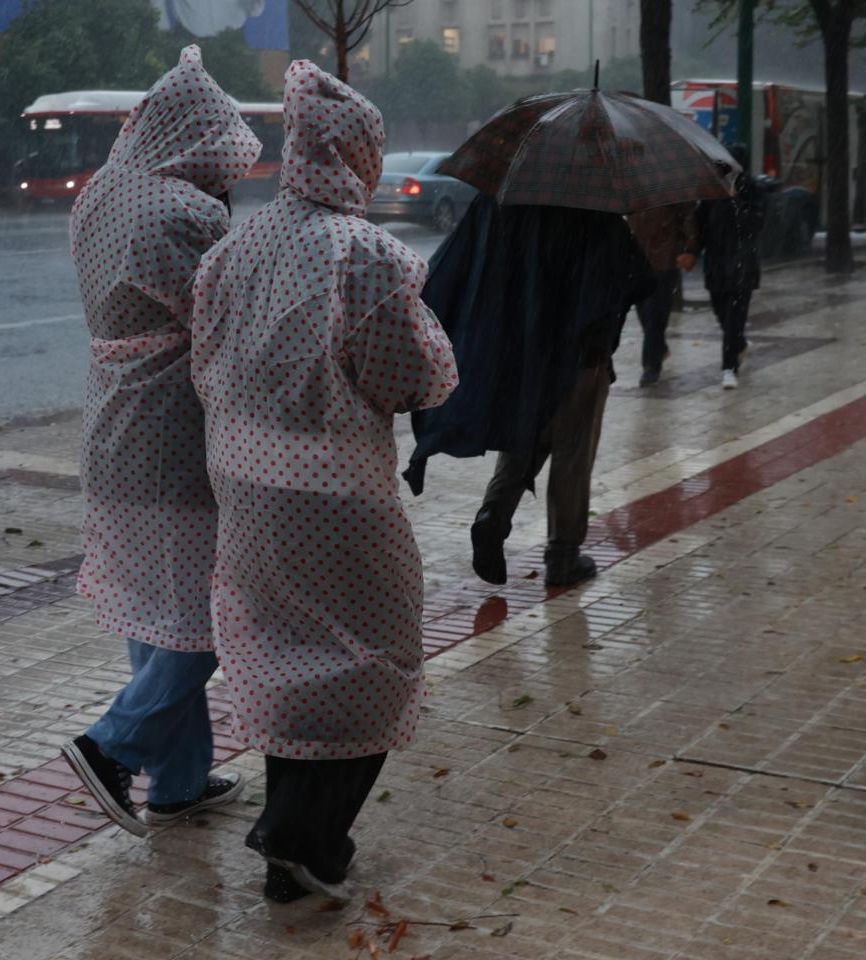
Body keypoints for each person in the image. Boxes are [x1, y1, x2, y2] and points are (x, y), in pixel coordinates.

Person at [190, 60, 458, 903]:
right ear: (357, 156)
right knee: (378, 659)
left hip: (243, 492)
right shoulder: (368, 255)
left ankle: (289, 855)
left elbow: (205, 366)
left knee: (283, 661)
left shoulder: (231, 251)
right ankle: (302, 833)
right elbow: (413, 375)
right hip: (339, 502)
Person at [59, 46, 262, 838]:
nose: (227, 177)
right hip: (172, 434)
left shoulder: (100, 196)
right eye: (222, 160)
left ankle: (178, 784)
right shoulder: (187, 214)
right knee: (212, 620)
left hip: (110, 421)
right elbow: (223, 326)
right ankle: (112, 745)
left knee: (155, 611)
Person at [406, 195, 653, 588]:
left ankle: (493, 515)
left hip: (524, 346)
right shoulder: (593, 205)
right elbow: (627, 275)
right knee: (573, 451)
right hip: (581, 351)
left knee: (526, 435)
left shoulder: (506, 197)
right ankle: (563, 557)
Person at [679, 143, 766, 390]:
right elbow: (701, 227)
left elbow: (756, 225)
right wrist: (691, 251)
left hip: (742, 266)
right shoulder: (711, 193)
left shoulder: (753, 191)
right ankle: (738, 344)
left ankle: (729, 368)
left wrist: (737, 203)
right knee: (721, 314)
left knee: (734, 318)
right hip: (716, 265)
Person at [627, 203, 696, 386]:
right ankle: (660, 347)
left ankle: (651, 365)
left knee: (655, 314)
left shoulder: (672, 187)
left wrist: (689, 248)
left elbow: (688, 217)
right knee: (642, 310)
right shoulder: (635, 186)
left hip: (665, 256)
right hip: (638, 257)